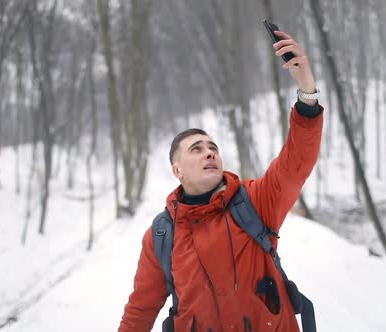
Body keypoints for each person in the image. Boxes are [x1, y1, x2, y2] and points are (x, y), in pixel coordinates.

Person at [119, 30, 324, 332]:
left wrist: (307, 94)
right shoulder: (161, 235)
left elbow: (297, 162)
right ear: (178, 171)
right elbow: (141, 308)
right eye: (197, 149)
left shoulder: (255, 202)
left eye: (213, 147)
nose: (209, 153)